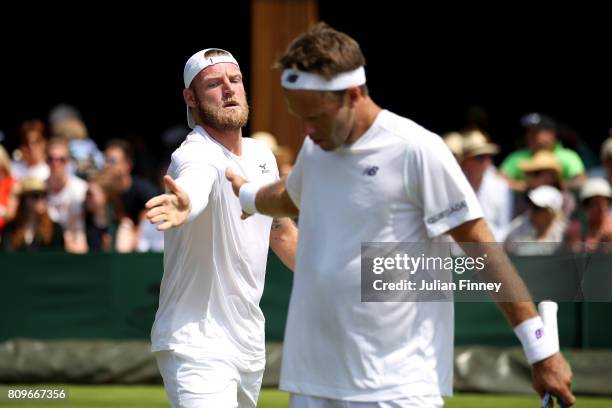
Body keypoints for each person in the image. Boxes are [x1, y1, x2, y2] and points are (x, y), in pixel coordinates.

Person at [222, 23, 575, 407]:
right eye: (299, 116)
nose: (307, 130)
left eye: (316, 117)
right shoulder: (316, 148)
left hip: (398, 388)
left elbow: (483, 251)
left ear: (353, 95)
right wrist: (246, 194)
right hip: (313, 382)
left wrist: (540, 349)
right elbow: (289, 196)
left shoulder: (417, 150)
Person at [144, 48, 297, 408]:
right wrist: (187, 203)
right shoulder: (193, 154)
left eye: (235, 80)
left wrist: (333, 277)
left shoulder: (262, 155)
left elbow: (282, 233)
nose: (228, 89)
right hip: (195, 343)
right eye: (214, 84)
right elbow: (196, 183)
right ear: (191, 98)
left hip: (248, 344)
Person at [500, 113, 585, 191]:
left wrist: (552, 187)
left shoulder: (568, 156)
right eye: (528, 132)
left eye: (535, 132)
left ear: (551, 133)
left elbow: (581, 180)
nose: (529, 136)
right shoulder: (517, 156)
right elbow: (499, 178)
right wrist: (526, 188)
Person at [46, 137, 88, 253]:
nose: (55, 163)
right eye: (51, 159)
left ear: (68, 161)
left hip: (76, 248)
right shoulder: (38, 191)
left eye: (61, 159)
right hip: (47, 247)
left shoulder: (82, 189)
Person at [1, 177, 64, 251]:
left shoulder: (55, 230)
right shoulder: (10, 229)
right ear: (23, 200)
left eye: (44, 195)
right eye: (35, 195)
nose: (41, 199)